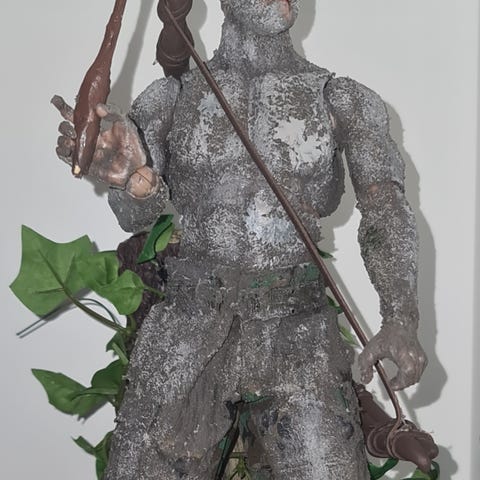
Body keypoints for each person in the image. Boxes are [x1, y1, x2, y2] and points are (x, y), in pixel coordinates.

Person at [55, 1, 428, 478]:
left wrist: (400, 317)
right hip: (189, 329)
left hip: (298, 336)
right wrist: (132, 181)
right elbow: (133, 218)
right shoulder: (170, 99)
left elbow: (386, 208)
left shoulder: (341, 100)